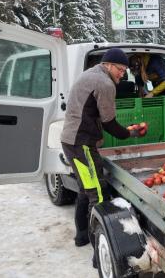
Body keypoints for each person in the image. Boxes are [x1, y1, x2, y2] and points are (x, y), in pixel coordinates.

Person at [60, 48, 147, 248]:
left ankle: (82, 236)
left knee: (85, 190)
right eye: (120, 68)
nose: (122, 73)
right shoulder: (105, 83)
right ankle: (99, 249)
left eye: (125, 70)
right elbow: (109, 123)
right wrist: (130, 133)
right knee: (98, 195)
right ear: (108, 65)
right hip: (81, 144)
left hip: (71, 141)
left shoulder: (90, 74)